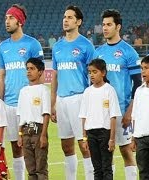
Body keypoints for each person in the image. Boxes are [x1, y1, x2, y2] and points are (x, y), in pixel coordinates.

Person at [0, 4, 43, 180]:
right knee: (15, 146)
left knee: (31, 147)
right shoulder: (3, 47)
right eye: (6, 18)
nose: (7, 22)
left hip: (28, 105)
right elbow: (1, 75)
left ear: (20, 21)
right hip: (9, 104)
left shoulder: (32, 44)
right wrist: (1, 100)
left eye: (11, 18)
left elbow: (39, 74)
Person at [95, 9, 141, 179]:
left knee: (126, 151)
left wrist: (130, 110)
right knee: (105, 153)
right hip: (102, 112)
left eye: (109, 25)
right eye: (104, 25)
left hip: (121, 110)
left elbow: (138, 84)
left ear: (118, 26)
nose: (105, 28)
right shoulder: (98, 52)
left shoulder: (129, 52)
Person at [51, 5, 95, 180]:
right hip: (61, 100)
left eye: (70, 17)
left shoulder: (86, 45)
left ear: (78, 22)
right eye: (64, 17)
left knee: (85, 145)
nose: (65, 20)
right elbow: (55, 75)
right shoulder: (58, 46)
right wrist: (53, 102)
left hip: (79, 98)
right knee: (66, 146)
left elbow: (94, 75)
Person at [79, 59, 121, 180]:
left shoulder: (109, 90)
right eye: (90, 72)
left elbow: (113, 116)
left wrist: (112, 139)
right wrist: (84, 137)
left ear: (103, 73)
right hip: (91, 134)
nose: (91, 74)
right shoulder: (87, 92)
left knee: (106, 167)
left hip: (105, 133)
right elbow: (84, 116)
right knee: (97, 168)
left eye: (95, 71)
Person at [17, 58, 50, 179]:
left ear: (40, 72)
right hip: (26, 131)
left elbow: (46, 113)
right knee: (30, 168)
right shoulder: (23, 91)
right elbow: (21, 115)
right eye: (27, 69)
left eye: (32, 69)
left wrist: (43, 135)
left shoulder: (44, 90)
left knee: (40, 168)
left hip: (38, 130)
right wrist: (20, 134)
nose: (29, 71)